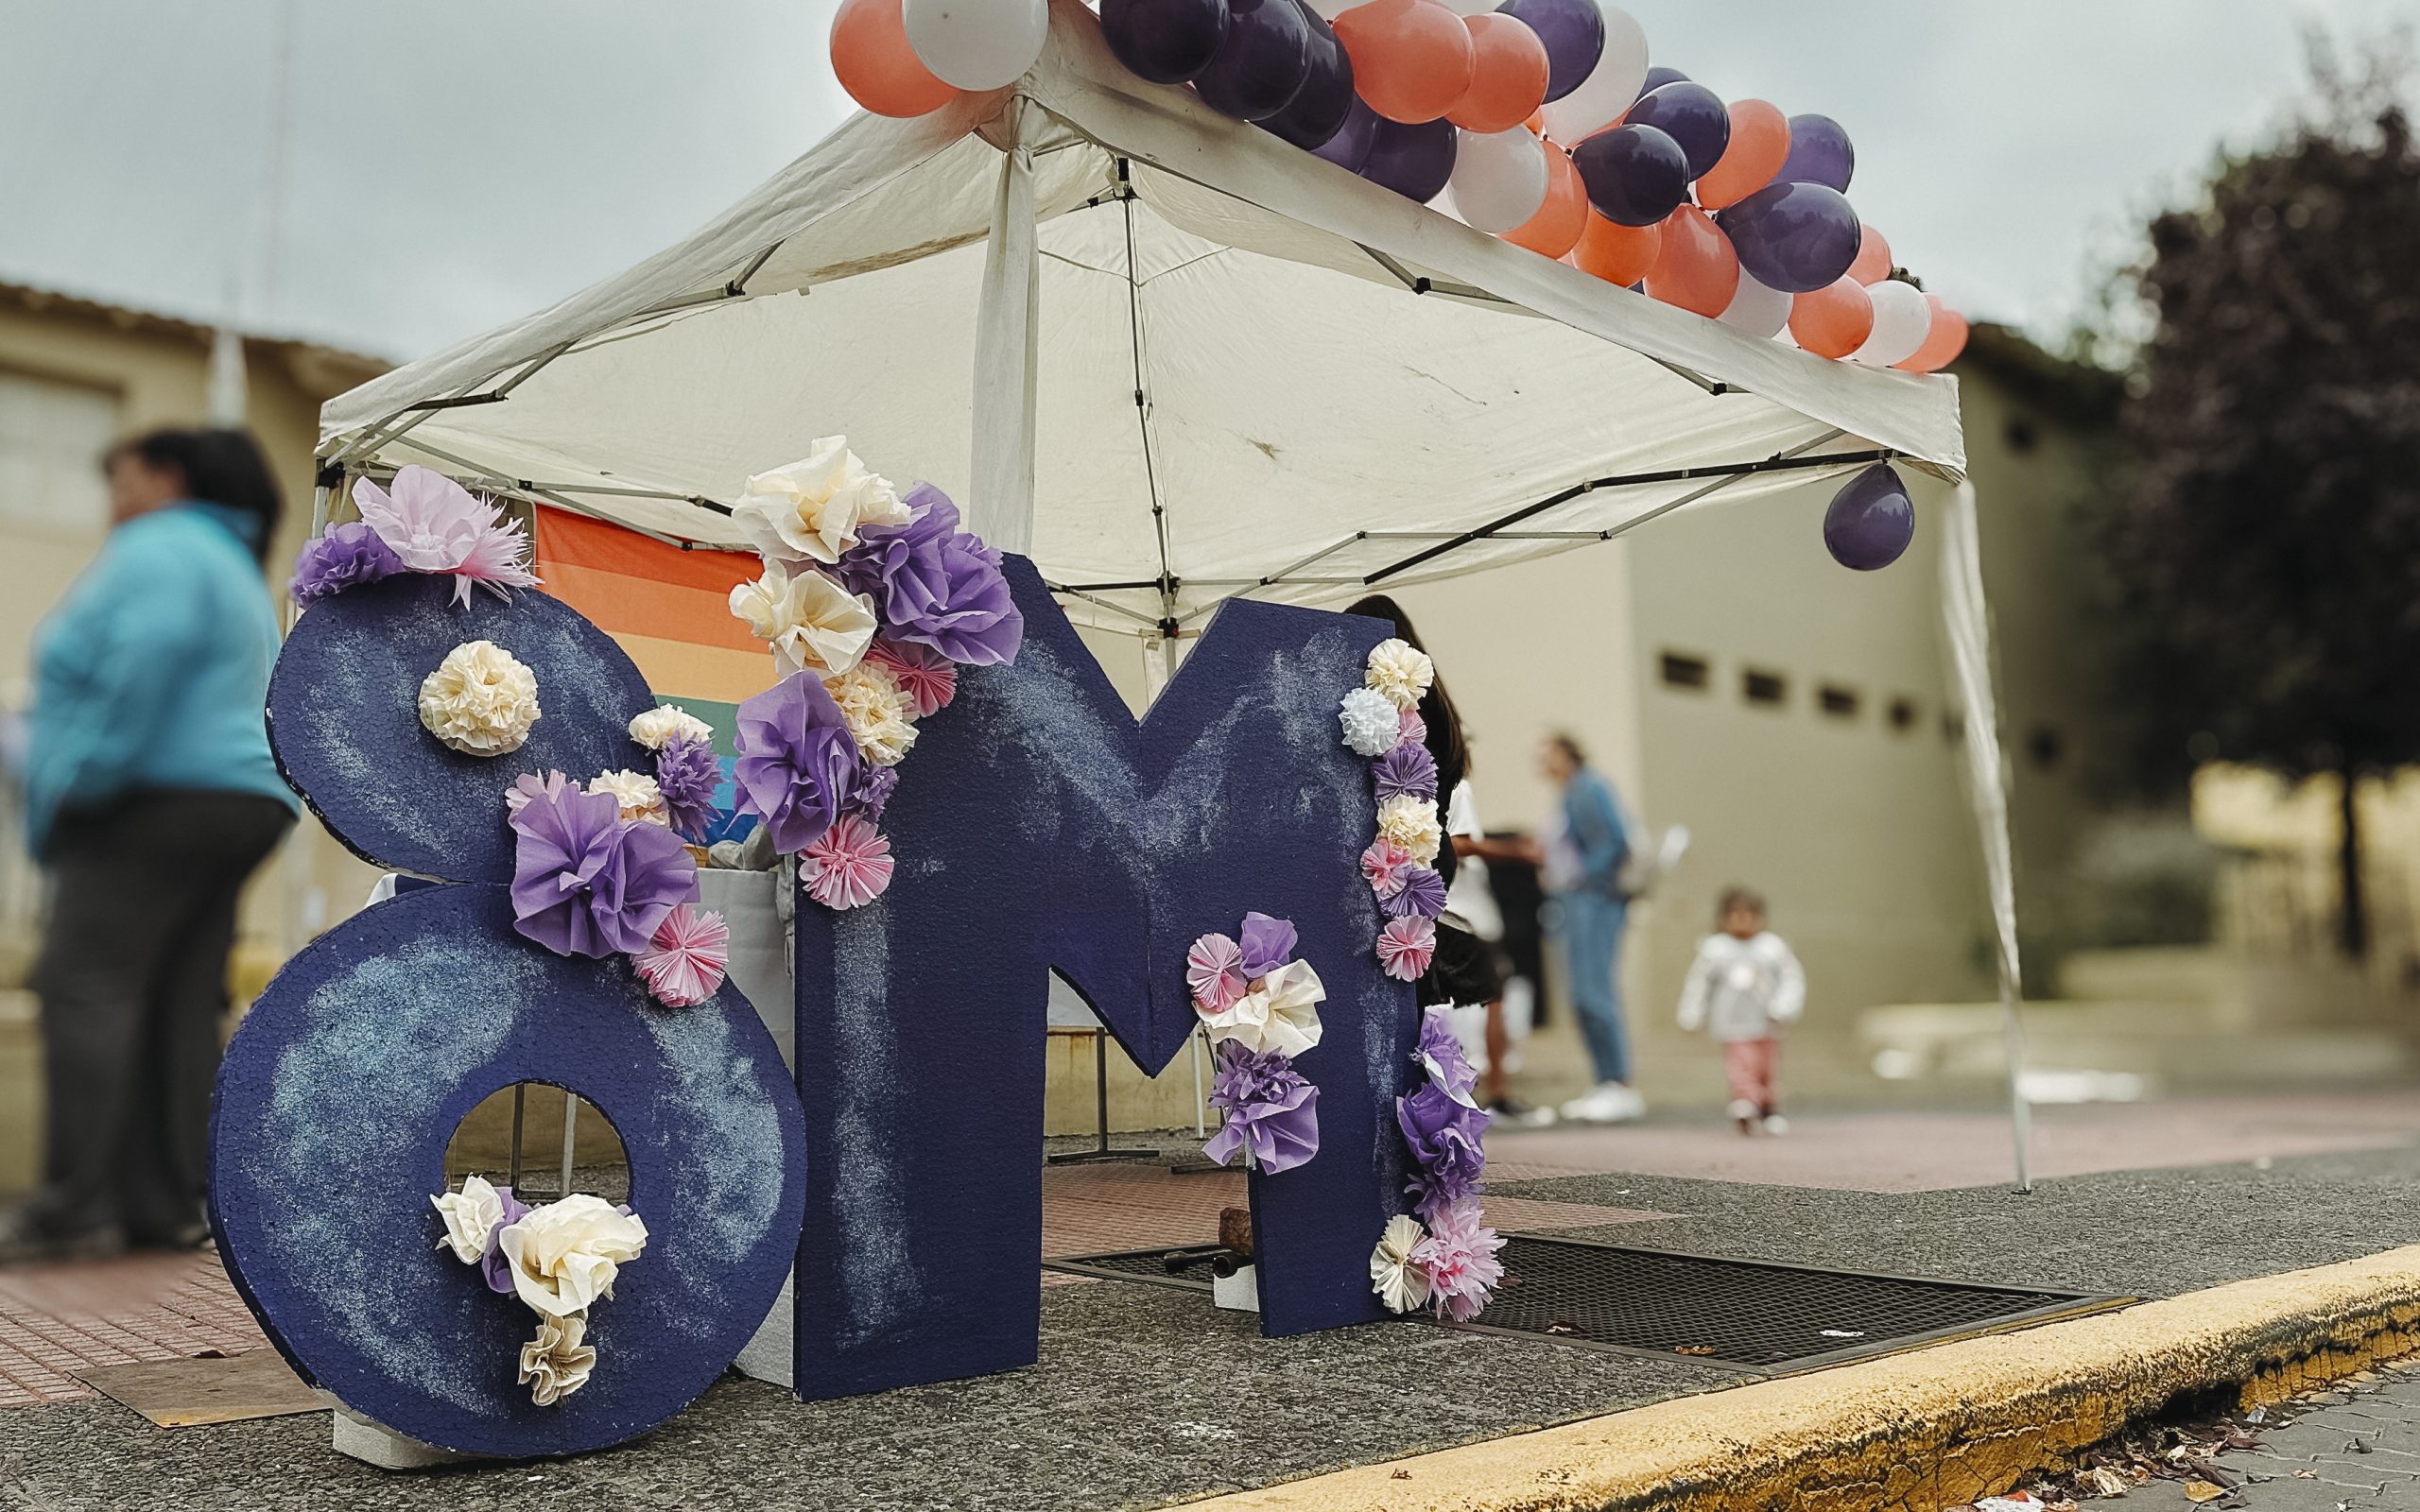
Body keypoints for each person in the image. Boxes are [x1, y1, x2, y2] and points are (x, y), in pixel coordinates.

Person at [0, 429, 300, 1263]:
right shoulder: (228, 560)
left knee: (83, 983)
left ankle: (72, 1210)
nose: (114, 501)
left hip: (154, 797)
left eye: (121, 479)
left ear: (164, 478)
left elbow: (143, 657)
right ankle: (163, 1205)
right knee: (175, 995)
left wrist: (83, 778)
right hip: (241, 799)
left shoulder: (161, 544)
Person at [1344, 596, 1539, 1117]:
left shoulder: (1381, 705)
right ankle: (1431, 1114)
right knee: (1416, 992)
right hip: (1429, 859)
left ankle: (1405, 1107)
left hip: (1396, 859)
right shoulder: (1440, 709)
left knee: (1394, 984)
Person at [1539, 732, 1642, 1125]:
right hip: (1576, 901)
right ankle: (1605, 1082)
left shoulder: (1588, 788)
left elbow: (1614, 841)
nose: (1541, 763)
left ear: (1566, 753)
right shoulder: (1570, 792)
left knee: (1594, 992)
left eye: (1546, 753)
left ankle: (1619, 1083)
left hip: (1594, 901)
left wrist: (1584, 880)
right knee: (1582, 995)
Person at [1676, 887, 1805, 1136]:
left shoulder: (1771, 948)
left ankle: (1769, 1107)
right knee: (1742, 1062)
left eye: (1749, 915)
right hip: (1733, 1022)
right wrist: (1692, 1010)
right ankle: (1745, 1099)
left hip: (1767, 1021)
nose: (1742, 921)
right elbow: (1700, 982)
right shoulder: (1716, 950)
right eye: (1735, 914)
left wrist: (1784, 1006)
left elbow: (1792, 978)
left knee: (1767, 1067)